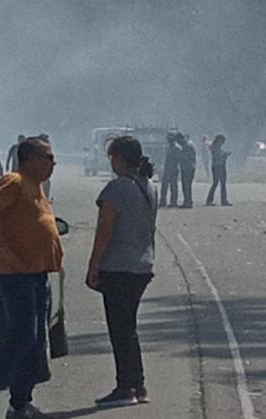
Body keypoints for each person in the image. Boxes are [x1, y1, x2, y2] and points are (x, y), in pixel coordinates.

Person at [0, 137, 63, 419]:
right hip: (16, 274)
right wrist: (6, 247)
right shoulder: (15, 181)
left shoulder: (36, 186)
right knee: (22, 337)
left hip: (37, 273)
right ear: (30, 159)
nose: (53, 163)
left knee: (36, 342)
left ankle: (19, 404)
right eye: (48, 157)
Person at [86, 136, 157, 407]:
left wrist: (94, 264)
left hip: (119, 267)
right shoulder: (148, 186)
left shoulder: (117, 188)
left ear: (120, 158)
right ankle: (137, 384)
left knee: (120, 330)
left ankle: (125, 387)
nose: (111, 162)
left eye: (112, 157)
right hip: (142, 265)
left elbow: (104, 231)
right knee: (129, 329)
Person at [205, 134, 232, 206]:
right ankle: (222, 200)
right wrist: (225, 155)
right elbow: (217, 157)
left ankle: (211, 200)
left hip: (218, 166)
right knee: (219, 183)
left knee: (218, 183)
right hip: (218, 166)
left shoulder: (215, 147)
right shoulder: (215, 147)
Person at [159, 133, 180, 207]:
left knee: (173, 187)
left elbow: (178, 159)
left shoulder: (177, 148)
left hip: (174, 169)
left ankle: (173, 202)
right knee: (164, 187)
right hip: (167, 169)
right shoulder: (168, 147)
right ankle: (163, 201)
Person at [175, 133, 196, 208]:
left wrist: (179, 157)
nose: (178, 143)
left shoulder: (187, 146)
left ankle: (188, 202)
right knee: (186, 186)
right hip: (187, 167)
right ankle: (188, 201)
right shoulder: (187, 145)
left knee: (186, 186)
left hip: (188, 168)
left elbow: (188, 157)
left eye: (178, 141)